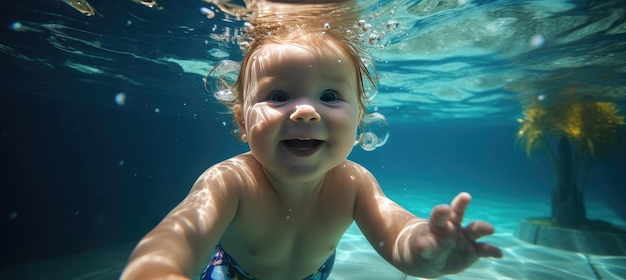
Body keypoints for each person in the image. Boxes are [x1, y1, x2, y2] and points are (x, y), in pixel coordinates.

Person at [120, 24, 503, 280]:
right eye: (279, 96)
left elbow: (399, 233)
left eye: (330, 96)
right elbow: (178, 237)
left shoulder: (353, 183)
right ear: (242, 121)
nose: (305, 111)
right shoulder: (230, 181)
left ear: (359, 123)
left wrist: (426, 248)